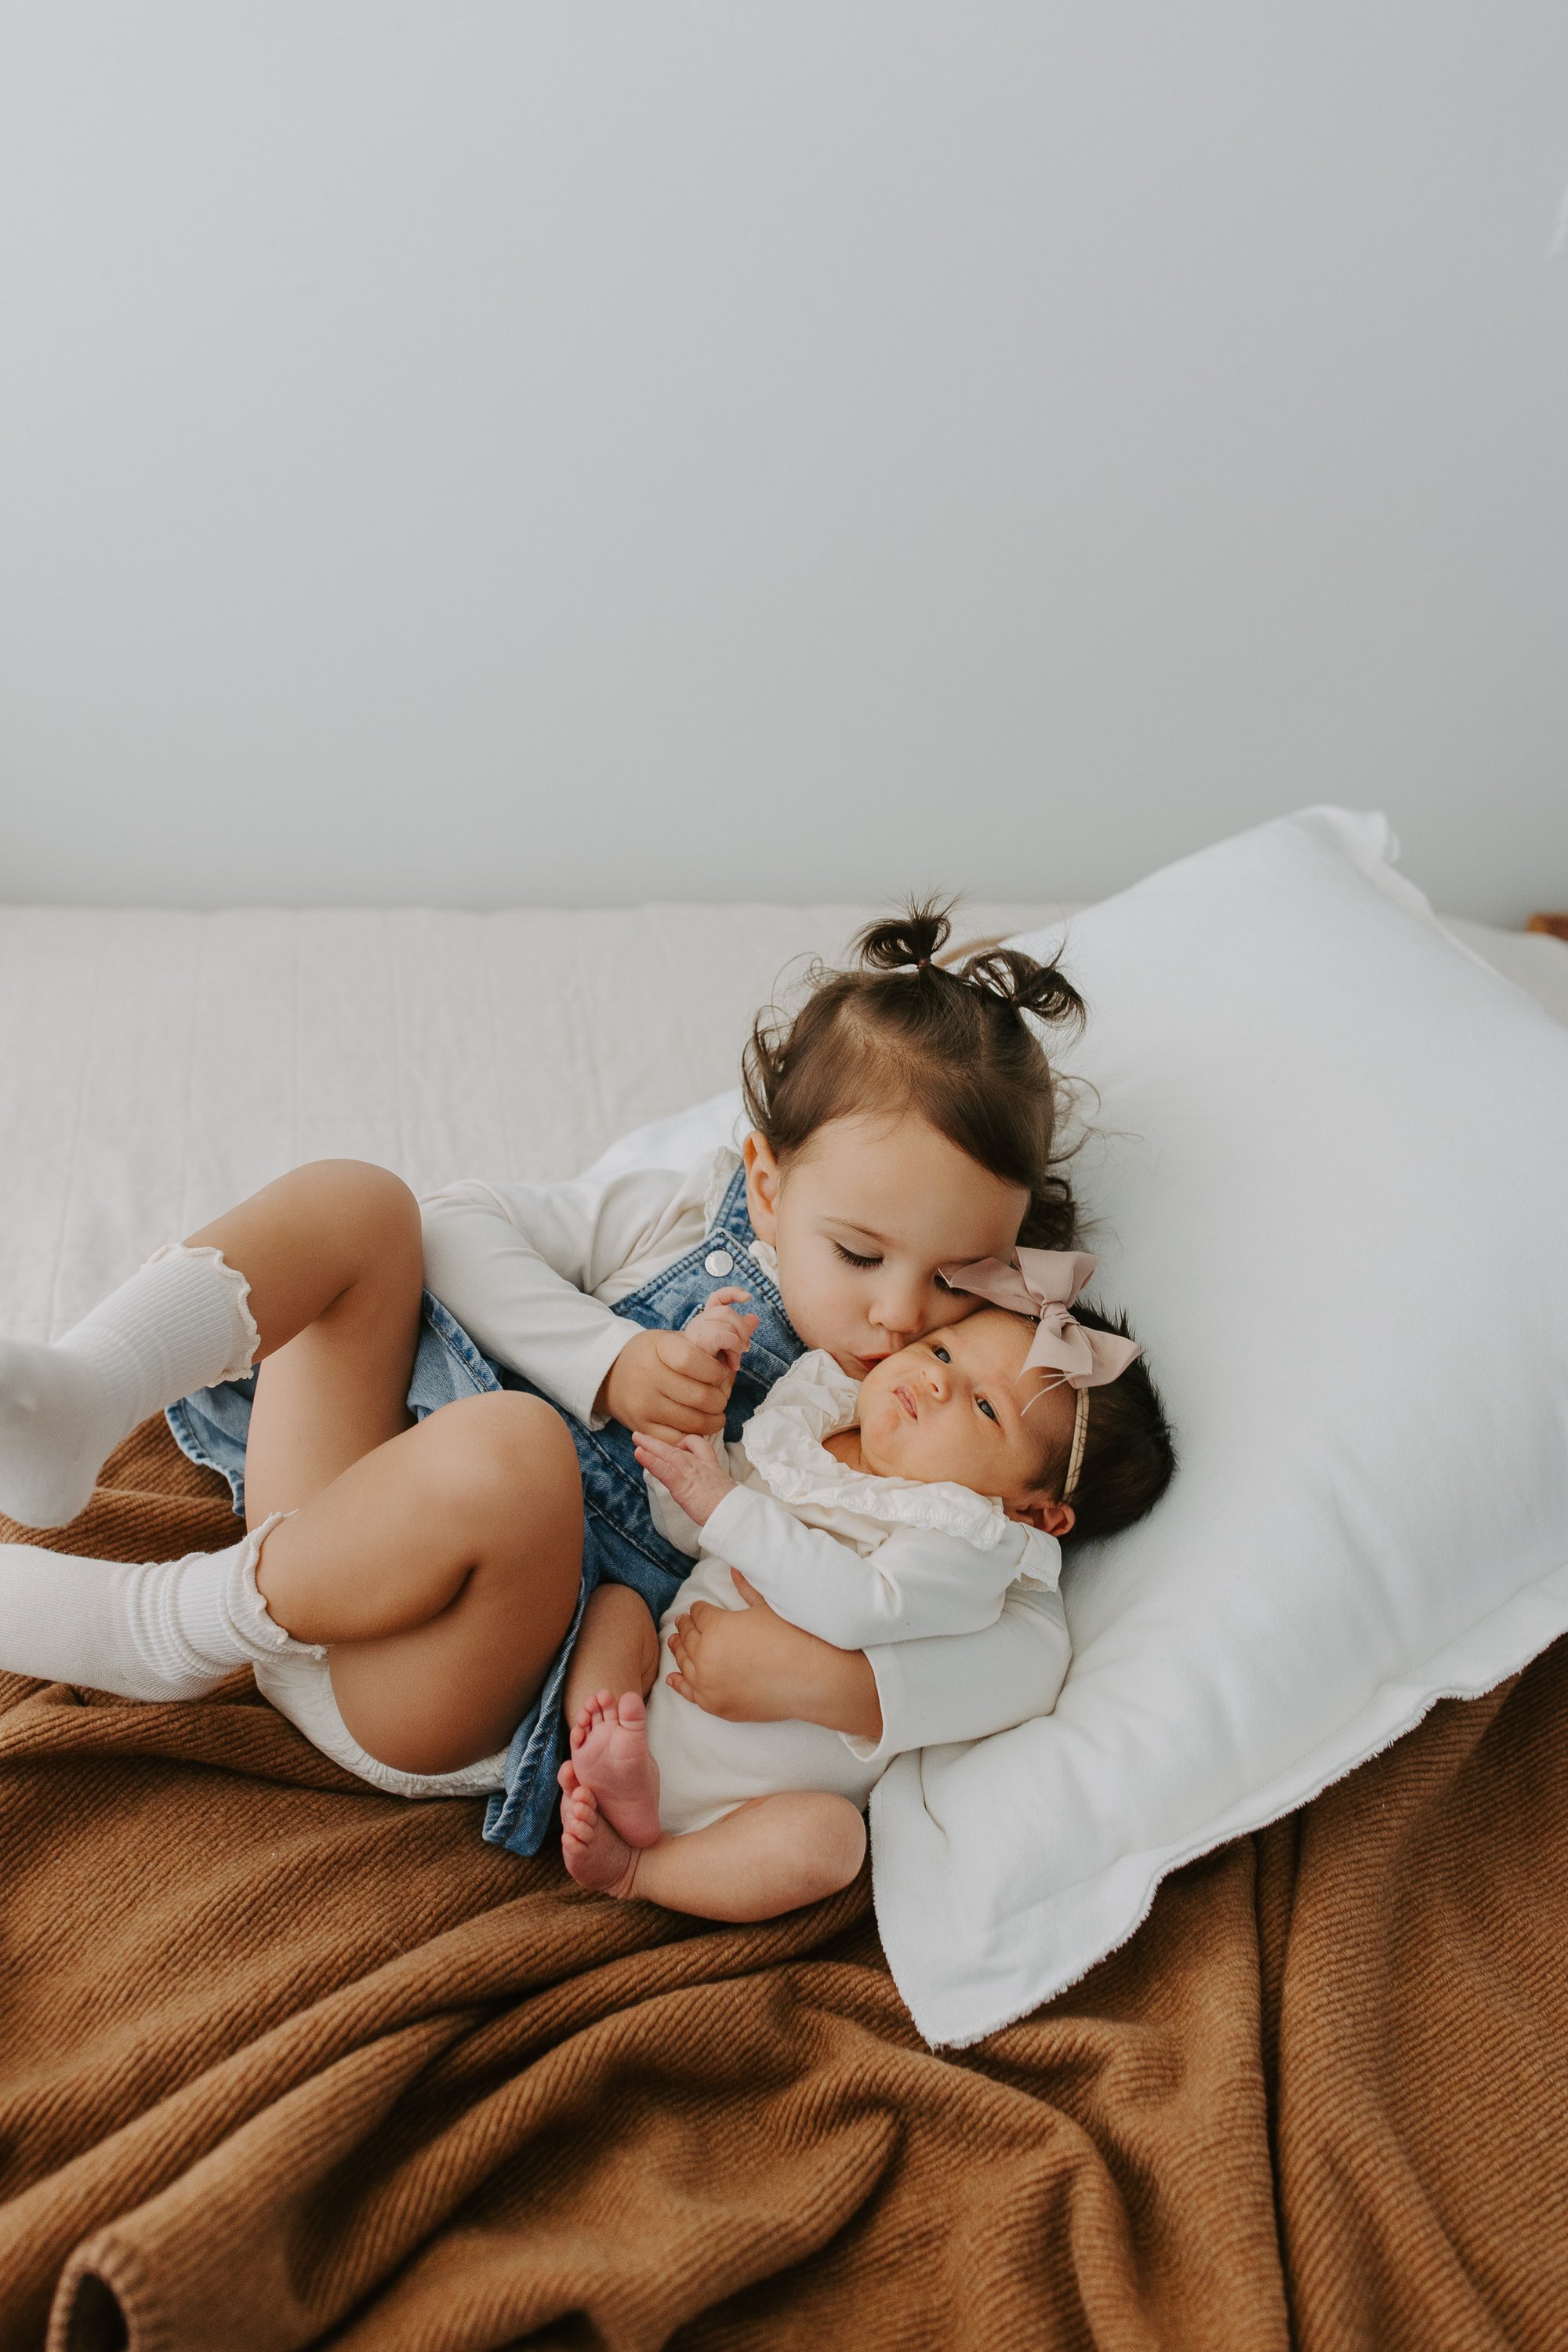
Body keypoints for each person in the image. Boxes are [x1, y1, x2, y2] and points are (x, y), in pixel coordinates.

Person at [0, 907, 1091, 1846]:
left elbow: (1030, 1634)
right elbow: (458, 1230)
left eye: (953, 1278)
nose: (899, 1318)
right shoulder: (686, 1215)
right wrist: (604, 1362)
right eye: (857, 1254)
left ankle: (163, 1627)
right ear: (765, 1186)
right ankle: (82, 1394)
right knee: (364, 1201)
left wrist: (838, 1685)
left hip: (427, 1683)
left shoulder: (961, 1420)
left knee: (518, 1451)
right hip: (338, 1517)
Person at [557, 1258, 1174, 1920]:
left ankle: (640, 1870)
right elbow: (693, 1528)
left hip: (742, 1808)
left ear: (1036, 1513)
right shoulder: (817, 1428)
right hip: (656, 1701)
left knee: (831, 1843)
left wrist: (725, 1505)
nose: (936, 1380)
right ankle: (604, 1739)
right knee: (617, 1608)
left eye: (986, 1407)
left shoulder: (963, 1537)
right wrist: (695, 1411)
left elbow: (859, 1608)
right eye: (942, 1351)